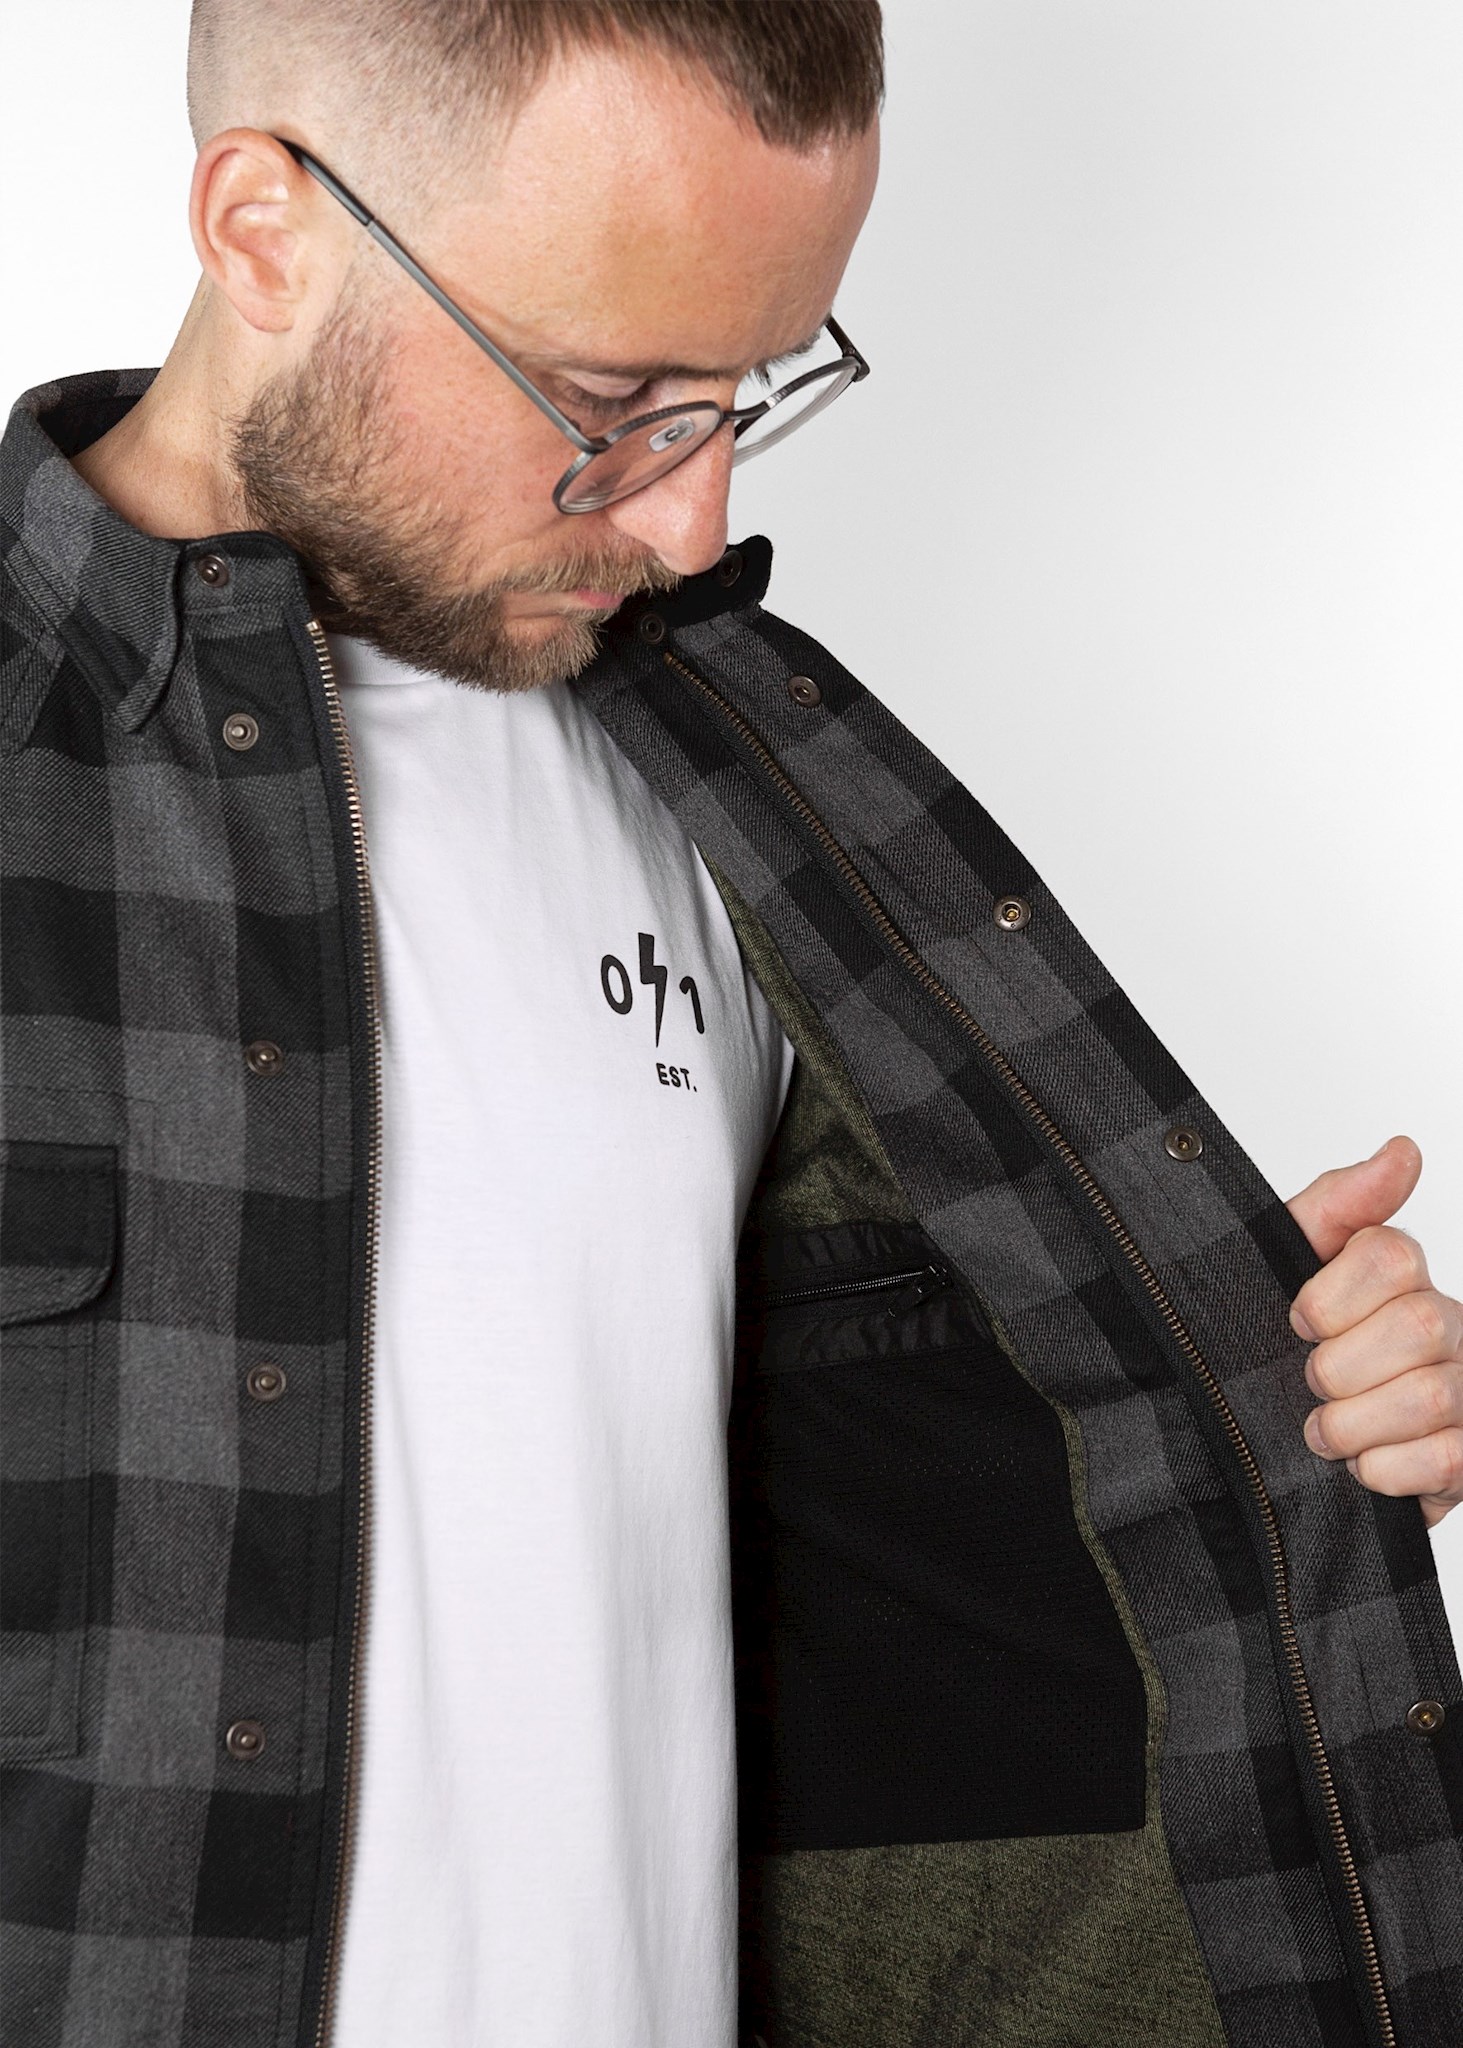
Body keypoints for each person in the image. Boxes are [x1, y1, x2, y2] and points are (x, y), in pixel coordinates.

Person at [1, 3, 1459, 2044]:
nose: (694, 525)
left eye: (750, 392)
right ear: (264, 232)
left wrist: (1265, 1385)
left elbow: (921, 1552)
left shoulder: (754, 791)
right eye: (614, 399)